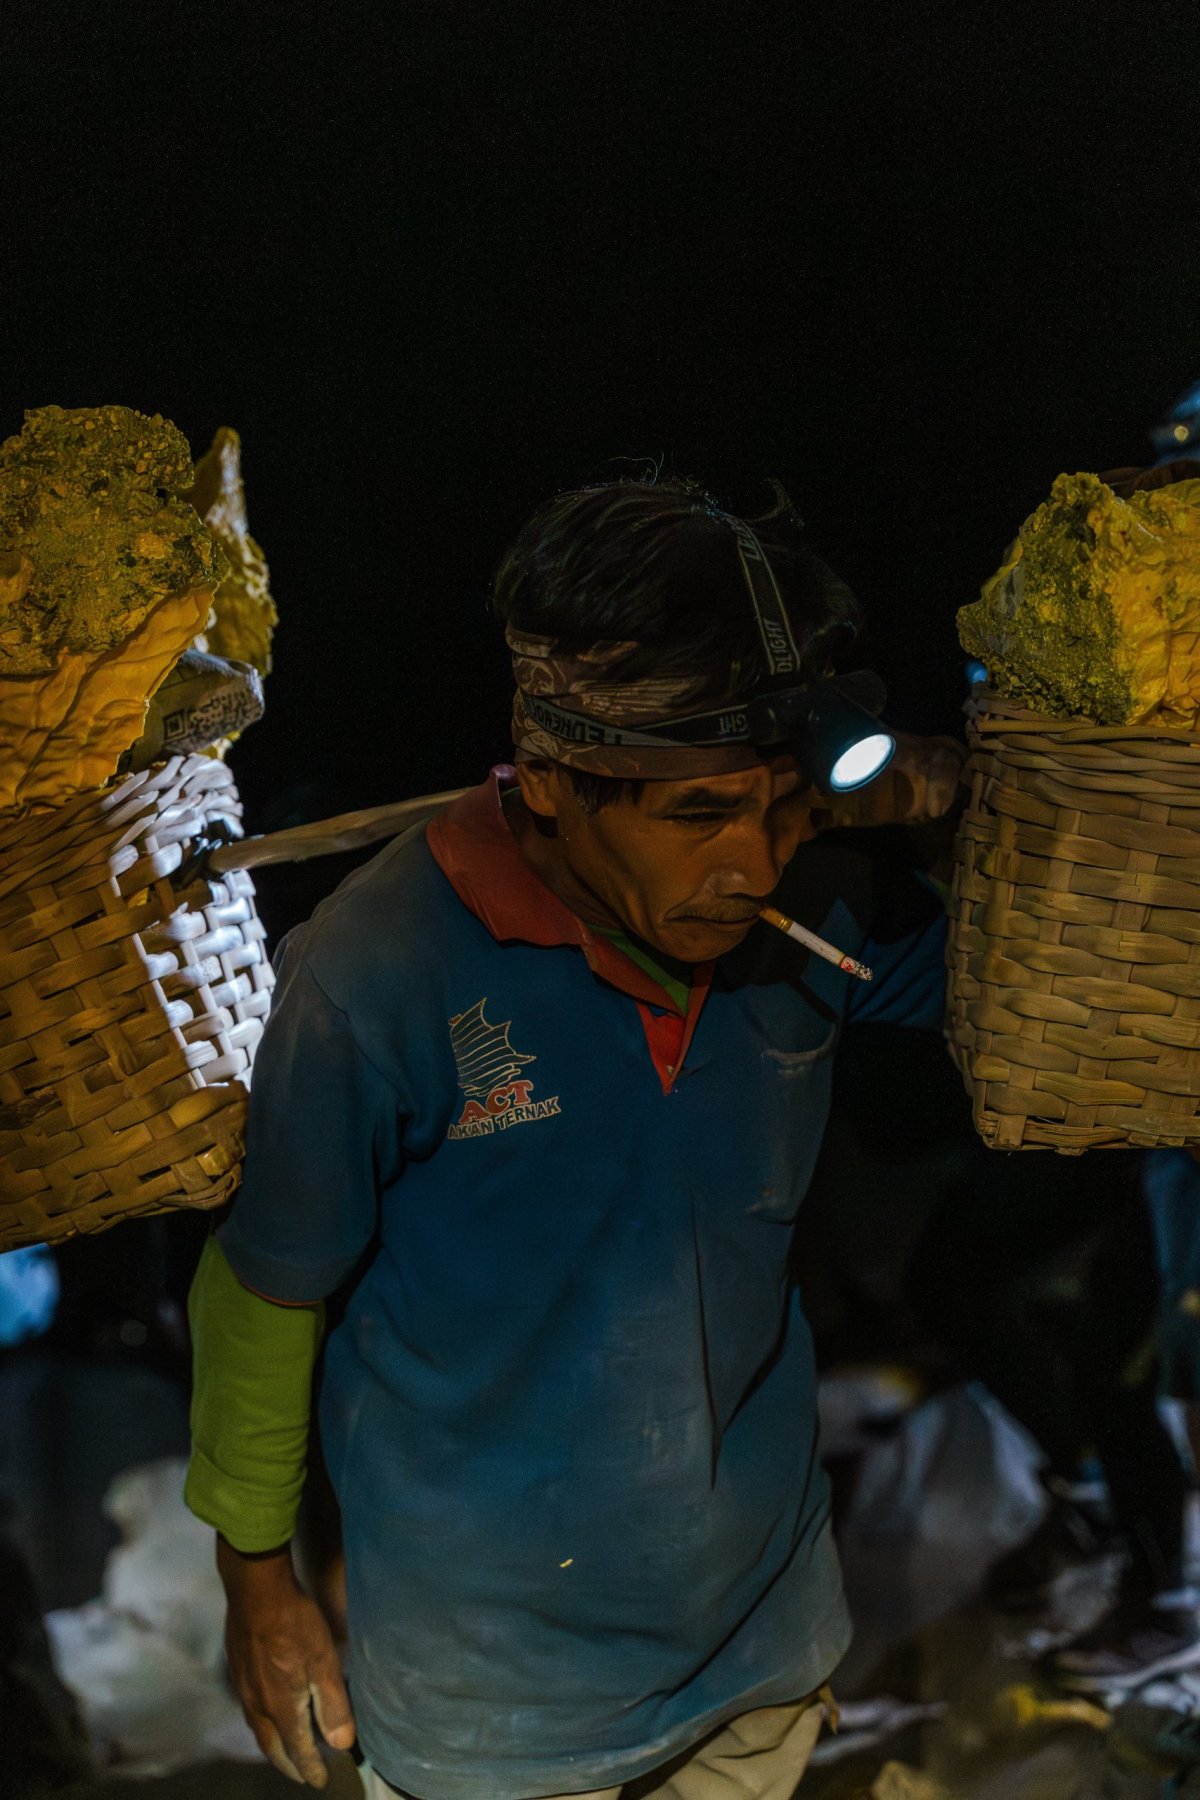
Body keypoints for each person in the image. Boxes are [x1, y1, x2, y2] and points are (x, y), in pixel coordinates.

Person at [185, 475, 962, 1799]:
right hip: (492, 1704)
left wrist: (954, 806)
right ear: (548, 779)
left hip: (760, 1648)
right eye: (698, 815)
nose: (753, 865)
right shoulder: (381, 969)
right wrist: (259, 1586)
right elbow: (268, 1291)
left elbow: (1039, 983)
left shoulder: (813, 915)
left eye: (784, 805)